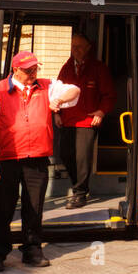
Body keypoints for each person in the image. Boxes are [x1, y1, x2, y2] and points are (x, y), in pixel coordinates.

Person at [0, 51, 59, 270]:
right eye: (28, 70)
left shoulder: (46, 86)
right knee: (2, 207)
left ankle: (32, 249)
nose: (33, 73)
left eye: (35, 69)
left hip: (36, 155)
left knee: (34, 206)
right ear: (15, 69)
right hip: (7, 156)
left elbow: (74, 91)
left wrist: (59, 99)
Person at [56, 31, 115, 209]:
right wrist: (56, 113)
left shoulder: (98, 68)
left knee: (82, 158)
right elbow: (57, 92)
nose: (76, 50)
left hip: (87, 122)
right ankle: (78, 187)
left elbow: (109, 95)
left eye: (80, 46)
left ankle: (80, 194)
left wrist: (101, 112)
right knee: (65, 154)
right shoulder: (66, 68)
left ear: (88, 48)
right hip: (67, 120)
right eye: (73, 46)